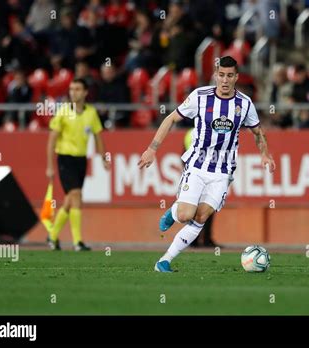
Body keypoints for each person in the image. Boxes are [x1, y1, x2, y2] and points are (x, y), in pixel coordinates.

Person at [138, 56, 276, 272]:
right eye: (221, 75)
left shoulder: (245, 103)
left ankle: (164, 261)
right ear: (215, 75)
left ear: (236, 77)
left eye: (230, 75)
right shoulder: (199, 97)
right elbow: (170, 119)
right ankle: (173, 213)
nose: (225, 80)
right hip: (197, 166)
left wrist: (265, 154)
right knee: (185, 215)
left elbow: (258, 132)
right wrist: (152, 148)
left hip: (223, 172)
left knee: (201, 216)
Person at [46, 78, 110, 251]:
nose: (73, 92)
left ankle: (52, 236)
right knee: (76, 195)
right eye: (71, 89)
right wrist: (50, 166)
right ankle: (77, 241)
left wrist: (104, 158)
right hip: (65, 158)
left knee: (69, 200)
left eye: (77, 89)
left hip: (81, 160)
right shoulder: (63, 112)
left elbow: (98, 137)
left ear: (85, 92)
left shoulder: (91, 113)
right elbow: (52, 140)